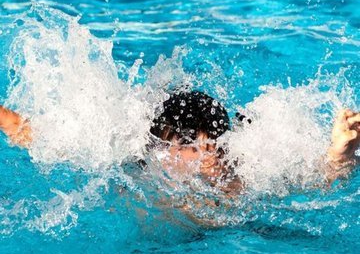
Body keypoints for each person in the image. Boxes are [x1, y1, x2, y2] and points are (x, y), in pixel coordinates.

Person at [0, 91, 359, 187]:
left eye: (213, 145)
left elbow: (317, 180)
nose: (206, 157)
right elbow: (31, 134)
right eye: (190, 148)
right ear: (163, 147)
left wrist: (340, 152)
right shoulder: (131, 158)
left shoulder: (244, 171)